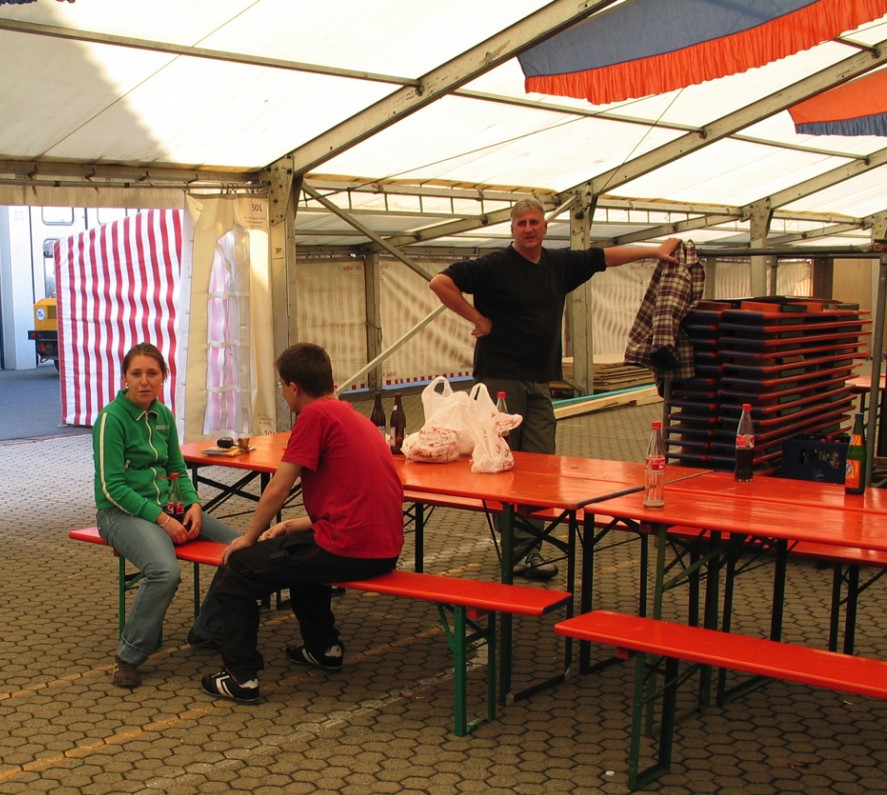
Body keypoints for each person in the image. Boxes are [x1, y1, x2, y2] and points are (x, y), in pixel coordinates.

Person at [428, 197, 680, 579]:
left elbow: (604, 257)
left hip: (540, 380)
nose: (528, 229)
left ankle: (527, 549)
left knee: (541, 466)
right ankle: (517, 551)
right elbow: (440, 282)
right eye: (521, 223)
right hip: (500, 378)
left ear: (545, 228)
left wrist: (654, 252)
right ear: (512, 230)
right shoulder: (494, 266)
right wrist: (477, 317)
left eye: (534, 222)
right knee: (502, 462)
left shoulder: (558, 264)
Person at [201, 342, 404, 705]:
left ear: (294, 387)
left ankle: (240, 677)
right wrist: (295, 525)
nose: (282, 393)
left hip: (350, 549)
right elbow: (352, 497)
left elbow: (278, 488)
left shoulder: (314, 417)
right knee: (300, 562)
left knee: (238, 570)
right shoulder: (353, 416)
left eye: (281, 385)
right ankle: (323, 648)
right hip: (384, 549)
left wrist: (249, 537)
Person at [93, 343, 239, 689]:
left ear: (164, 377)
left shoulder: (164, 415)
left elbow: (177, 468)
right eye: (136, 374)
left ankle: (205, 630)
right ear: (125, 377)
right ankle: (129, 656)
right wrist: (162, 520)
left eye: (152, 373)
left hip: (168, 510)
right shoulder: (111, 419)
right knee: (164, 572)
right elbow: (112, 487)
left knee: (241, 550)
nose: (144, 381)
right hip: (119, 514)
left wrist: (193, 504)